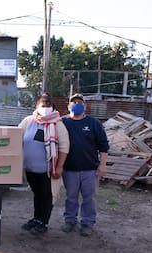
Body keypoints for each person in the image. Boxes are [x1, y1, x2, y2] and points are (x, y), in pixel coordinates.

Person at [18, 93, 69, 234]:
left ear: (52, 107)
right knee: (37, 195)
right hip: (30, 169)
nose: (45, 108)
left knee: (47, 196)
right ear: (37, 107)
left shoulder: (57, 124)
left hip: (48, 170)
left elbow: (65, 147)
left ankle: (43, 223)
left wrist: (59, 167)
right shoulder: (28, 121)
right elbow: (16, 136)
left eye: (48, 106)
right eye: (43, 105)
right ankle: (36, 219)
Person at [61, 93, 109, 237]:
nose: (77, 104)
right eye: (74, 102)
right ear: (68, 106)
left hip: (90, 169)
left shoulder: (94, 123)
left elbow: (103, 146)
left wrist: (103, 165)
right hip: (69, 169)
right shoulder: (62, 123)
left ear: (85, 106)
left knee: (90, 197)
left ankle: (87, 223)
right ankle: (70, 220)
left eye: (80, 102)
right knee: (71, 197)